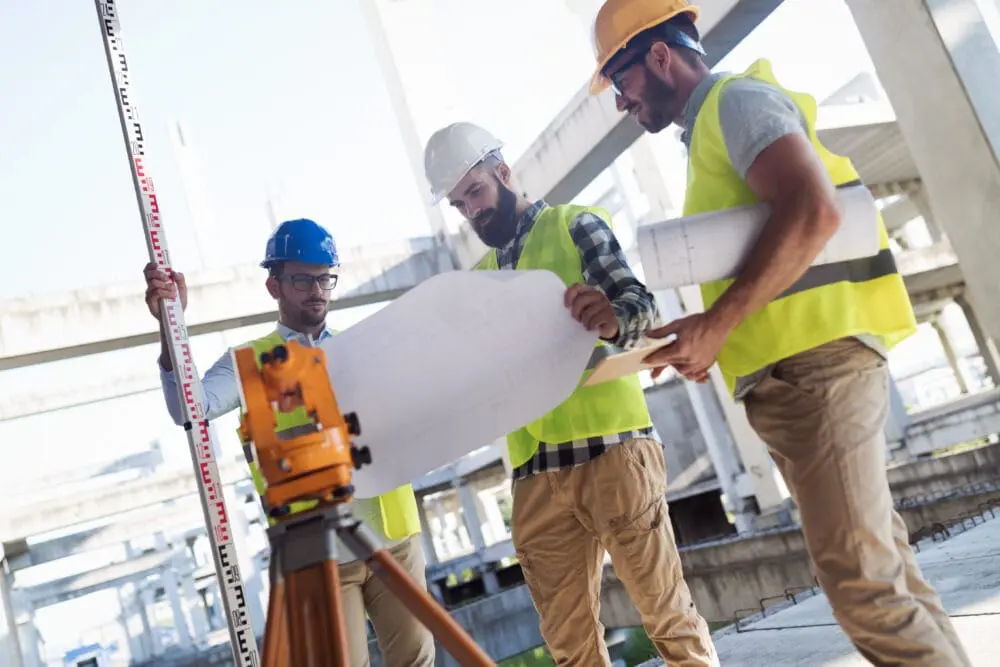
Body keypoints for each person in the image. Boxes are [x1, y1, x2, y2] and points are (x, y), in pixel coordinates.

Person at [587, 1, 972, 665]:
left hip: (820, 373)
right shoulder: (710, 130)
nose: (621, 100)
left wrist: (718, 323)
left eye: (621, 81)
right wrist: (706, 333)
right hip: (802, 378)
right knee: (888, 575)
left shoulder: (735, 104)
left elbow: (813, 208)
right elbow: (768, 254)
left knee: (864, 586)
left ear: (658, 56)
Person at [422, 121, 718, 666]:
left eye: (477, 193)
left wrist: (611, 320)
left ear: (503, 173)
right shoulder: (479, 279)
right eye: (460, 205)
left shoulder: (573, 225)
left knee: (667, 618)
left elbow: (641, 306)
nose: (472, 212)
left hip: (613, 454)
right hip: (534, 474)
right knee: (569, 649)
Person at [144, 218, 434, 667]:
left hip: (393, 538)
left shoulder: (363, 348)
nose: (316, 289)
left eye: (325, 278)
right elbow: (189, 407)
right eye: (302, 279)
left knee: (417, 661)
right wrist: (171, 327)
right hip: (318, 552)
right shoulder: (249, 363)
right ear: (273, 286)